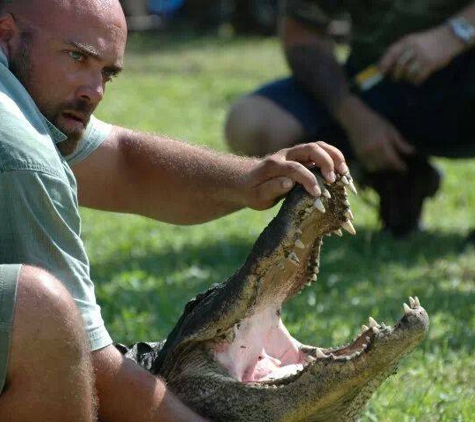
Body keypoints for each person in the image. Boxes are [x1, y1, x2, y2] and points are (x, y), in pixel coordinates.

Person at [0, 0, 349, 420]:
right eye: (78, 57)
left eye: (107, 73)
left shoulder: (30, 99)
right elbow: (89, 363)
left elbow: (124, 162)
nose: (94, 91)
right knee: (41, 313)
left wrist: (246, 180)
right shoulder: (20, 148)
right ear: (7, 34)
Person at [226, 0, 475, 237]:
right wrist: (355, 118)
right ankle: (396, 177)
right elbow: (301, 32)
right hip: (376, 79)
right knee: (251, 122)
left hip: (464, 75)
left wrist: (455, 34)